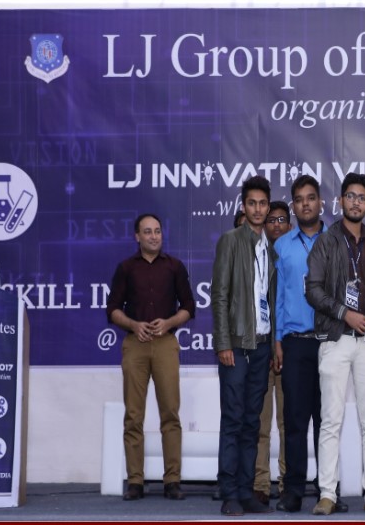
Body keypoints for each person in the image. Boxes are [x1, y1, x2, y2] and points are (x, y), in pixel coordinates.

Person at [305, 172, 365, 516]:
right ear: (341, 200)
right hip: (335, 339)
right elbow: (313, 290)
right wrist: (346, 313)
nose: (356, 202)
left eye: (362, 197)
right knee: (331, 420)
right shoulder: (326, 242)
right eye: (351, 196)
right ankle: (327, 493)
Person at [106, 213, 196, 501]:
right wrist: (134, 325)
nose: (154, 236)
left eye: (157, 231)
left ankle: (172, 481)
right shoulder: (125, 268)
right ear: (137, 236)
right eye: (147, 232)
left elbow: (189, 307)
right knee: (133, 415)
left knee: (170, 413)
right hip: (135, 345)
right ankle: (135, 481)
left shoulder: (175, 267)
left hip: (166, 344)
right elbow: (112, 309)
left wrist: (169, 323)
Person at [272, 176, 348, 514]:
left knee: (327, 420)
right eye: (299, 199)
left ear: (321, 202)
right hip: (296, 343)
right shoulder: (282, 246)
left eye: (311, 197)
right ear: (294, 206)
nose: (305, 203)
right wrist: (277, 340)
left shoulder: (337, 241)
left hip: (330, 341)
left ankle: (327, 491)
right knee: (295, 420)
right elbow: (277, 297)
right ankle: (292, 491)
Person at [212, 176, 277, 516]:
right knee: (233, 420)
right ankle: (229, 493)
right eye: (252, 203)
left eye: (262, 203)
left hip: (262, 345)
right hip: (236, 346)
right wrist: (224, 342)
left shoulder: (270, 248)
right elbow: (220, 295)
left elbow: (270, 299)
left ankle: (246, 490)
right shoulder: (231, 240)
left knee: (253, 422)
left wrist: (274, 344)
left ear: (268, 207)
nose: (257, 209)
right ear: (244, 206)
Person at [253, 201, 291, 505]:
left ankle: (287, 483)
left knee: (288, 424)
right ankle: (260, 484)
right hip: (261, 350)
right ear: (264, 226)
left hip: (290, 350)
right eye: (271, 220)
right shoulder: (257, 257)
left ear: (290, 225)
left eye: (281, 220)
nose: (276, 225)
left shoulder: (296, 257)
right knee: (261, 424)